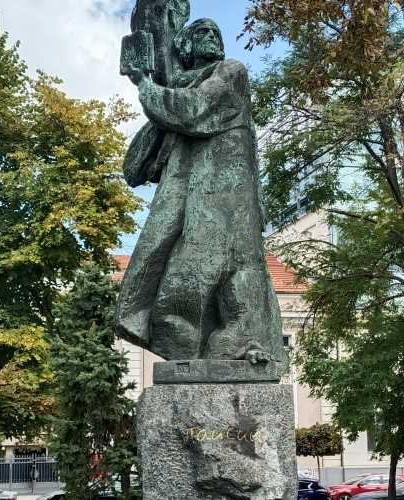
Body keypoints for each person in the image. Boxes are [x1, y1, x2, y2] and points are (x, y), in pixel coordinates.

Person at [116, 18, 285, 365]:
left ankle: (239, 350)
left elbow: (192, 109)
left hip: (226, 207)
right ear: (186, 48)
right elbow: (139, 164)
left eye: (215, 32)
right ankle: (199, 361)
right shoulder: (179, 90)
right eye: (201, 33)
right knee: (173, 302)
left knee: (189, 295)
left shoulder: (230, 72)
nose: (211, 36)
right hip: (196, 206)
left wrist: (144, 84)